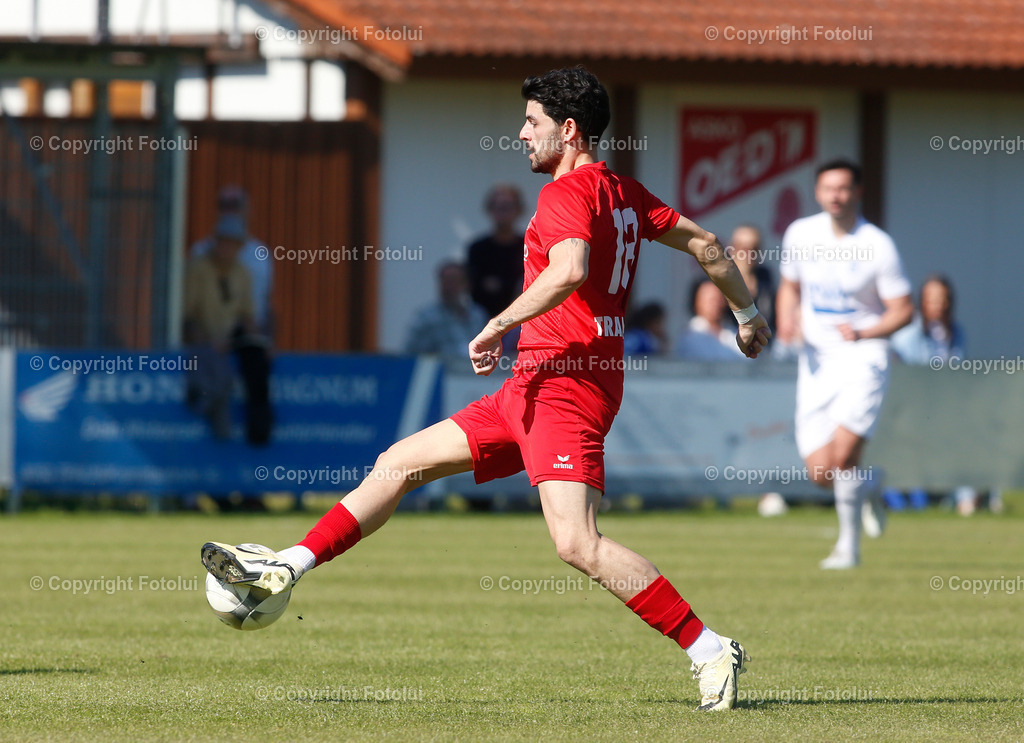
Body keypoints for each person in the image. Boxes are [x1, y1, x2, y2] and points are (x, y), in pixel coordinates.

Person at [201, 67, 770, 712]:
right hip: (535, 384)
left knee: (576, 543)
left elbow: (571, 269)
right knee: (399, 463)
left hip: (566, 385)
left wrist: (498, 323)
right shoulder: (624, 191)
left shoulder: (567, 194)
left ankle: (708, 647)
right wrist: (748, 317)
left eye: (532, 122)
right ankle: (288, 566)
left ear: (570, 129)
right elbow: (707, 244)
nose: (521, 133)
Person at [776, 159, 913, 569]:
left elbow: (903, 310)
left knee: (844, 456)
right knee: (821, 473)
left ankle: (847, 549)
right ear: (818, 193)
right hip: (816, 361)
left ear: (858, 193)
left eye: (843, 189)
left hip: (864, 359)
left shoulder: (878, 245)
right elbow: (790, 285)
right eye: (827, 188)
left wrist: (865, 333)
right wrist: (786, 318)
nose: (835, 196)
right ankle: (871, 486)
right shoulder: (800, 233)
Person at [184, 214, 273, 444]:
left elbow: (247, 314)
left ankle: (260, 427)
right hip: (203, 334)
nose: (228, 249)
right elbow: (188, 314)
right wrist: (207, 338)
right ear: (216, 241)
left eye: (234, 244)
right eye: (225, 242)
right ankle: (216, 420)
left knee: (257, 362)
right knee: (217, 367)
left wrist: (260, 342)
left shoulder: (241, 272)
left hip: (231, 336)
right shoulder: (199, 268)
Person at [192, 186, 273, 336]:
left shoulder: (260, 255)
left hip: (248, 333)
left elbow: (264, 304)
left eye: (236, 207)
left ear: (248, 211)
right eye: (224, 207)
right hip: (207, 336)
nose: (230, 212)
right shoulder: (200, 252)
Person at [467, 184, 527, 353]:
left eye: (508, 207)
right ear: (490, 210)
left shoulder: (528, 245)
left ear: (518, 210)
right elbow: (473, 289)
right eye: (498, 207)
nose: (503, 212)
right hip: (481, 325)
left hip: (520, 323)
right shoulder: (477, 248)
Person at [405, 261, 490, 362]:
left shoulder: (478, 316)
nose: (449, 287)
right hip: (441, 373)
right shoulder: (425, 318)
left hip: (473, 374)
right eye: (445, 281)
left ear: (466, 284)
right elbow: (410, 354)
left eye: (453, 281)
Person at [890, 274, 966, 364]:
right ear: (923, 301)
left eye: (944, 299)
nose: (940, 306)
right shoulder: (906, 335)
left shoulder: (957, 333)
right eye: (933, 300)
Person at [675, 279, 745, 361]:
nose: (715, 304)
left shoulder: (734, 332)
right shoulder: (689, 336)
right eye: (710, 300)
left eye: (718, 299)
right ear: (696, 302)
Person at [729, 224, 776, 331]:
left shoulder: (764, 276)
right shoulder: (717, 279)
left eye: (754, 249)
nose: (749, 254)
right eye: (744, 248)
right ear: (733, 248)